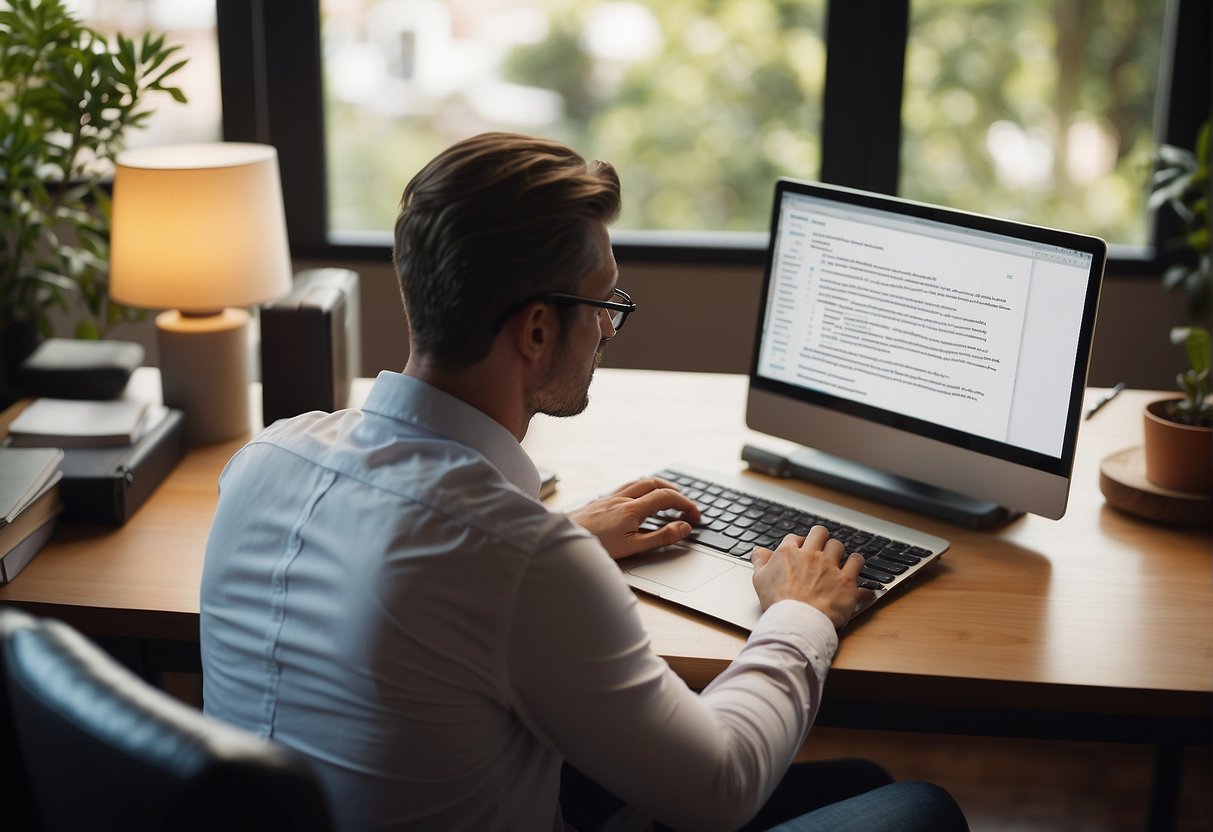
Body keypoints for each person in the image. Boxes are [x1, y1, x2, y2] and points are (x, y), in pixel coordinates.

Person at [199, 132, 968, 832]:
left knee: (859, 784)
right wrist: (801, 614)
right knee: (920, 811)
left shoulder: (266, 459)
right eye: (602, 303)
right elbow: (722, 788)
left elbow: (426, 597)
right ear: (536, 329)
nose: (606, 327)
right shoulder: (520, 560)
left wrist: (562, 540)